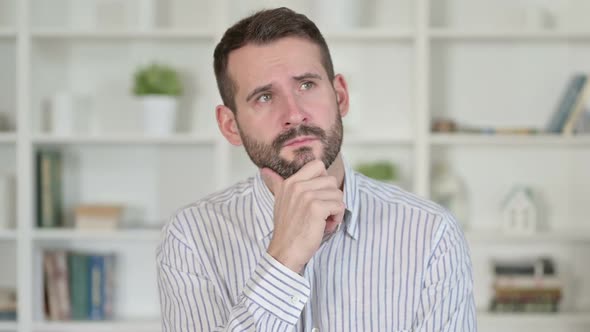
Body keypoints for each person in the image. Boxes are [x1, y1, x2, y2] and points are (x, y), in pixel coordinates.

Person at [157, 7, 476, 332]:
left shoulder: (431, 234)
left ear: (340, 96)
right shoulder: (192, 237)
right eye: (265, 97)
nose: (294, 114)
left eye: (307, 85)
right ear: (230, 126)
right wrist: (283, 257)